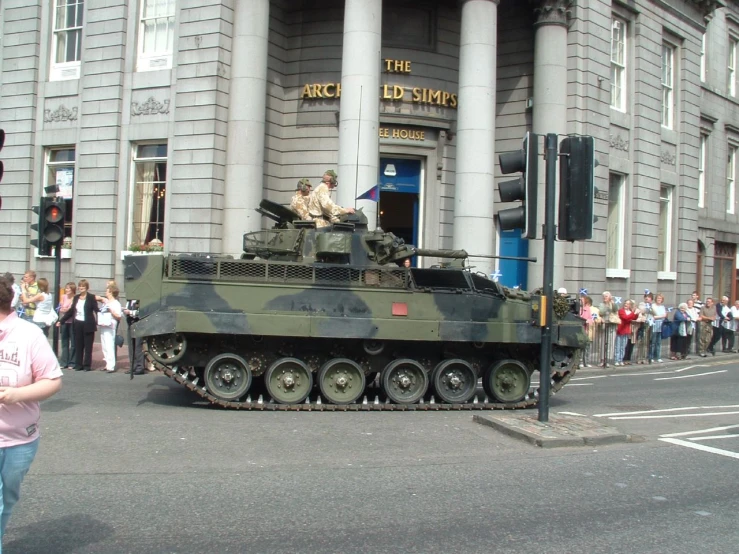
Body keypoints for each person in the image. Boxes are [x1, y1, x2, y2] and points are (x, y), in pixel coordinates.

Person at [0, 276, 63, 546]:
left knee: (6, 500)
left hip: (19, 439)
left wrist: (16, 395)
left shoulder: (29, 334)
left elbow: (53, 380)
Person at [57, 279, 98, 371]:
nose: (81, 288)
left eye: (83, 286)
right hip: (78, 323)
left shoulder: (91, 297)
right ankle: (78, 364)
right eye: (80, 286)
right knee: (79, 345)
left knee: (88, 346)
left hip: (88, 324)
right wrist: (61, 320)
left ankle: (87, 365)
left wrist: (98, 321)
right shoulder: (76, 298)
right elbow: (71, 311)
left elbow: (96, 310)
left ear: (87, 288)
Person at [98, 284, 122, 373]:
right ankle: (107, 364)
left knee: (109, 345)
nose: (106, 292)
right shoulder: (106, 302)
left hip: (111, 324)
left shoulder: (116, 303)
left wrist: (111, 311)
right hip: (104, 324)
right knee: (104, 345)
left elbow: (119, 316)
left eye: (107, 291)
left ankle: (111, 366)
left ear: (111, 292)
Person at [124, 299, 145, 375]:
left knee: (138, 346)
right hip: (130, 324)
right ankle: (133, 366)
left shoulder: (140, 300)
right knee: (131, 347)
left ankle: (140, 367)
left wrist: (130, 312)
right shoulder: (129, 301)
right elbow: (126, 310)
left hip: (138, 325)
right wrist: (125, 312)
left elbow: (142, 311)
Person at [58, 282, 77, 369]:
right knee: (64, 342)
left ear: (73, 290)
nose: (67, 290)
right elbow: (61, 308)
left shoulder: (75, 298)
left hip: (72, 321)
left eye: (69, 288)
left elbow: (71, 310)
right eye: (66, 288)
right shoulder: (63, 297)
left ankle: (72, 362)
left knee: (73, 343)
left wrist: (66, 309)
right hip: (64, 321)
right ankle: (64, 362)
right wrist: (64, 309)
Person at [614, 300, 639, 366]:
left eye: (628, 304)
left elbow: (634, 318)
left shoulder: (630, 312)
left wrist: (636, 313)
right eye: (625, 303)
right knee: (618, 346)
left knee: (623, 346)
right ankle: (616, 360)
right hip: (620, 330)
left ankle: (621, 359)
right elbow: (626, 318)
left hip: (626, 330)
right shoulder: (621, 311)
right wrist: (633, 313)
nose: (626, 305)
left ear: (629, 305)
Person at [647, 293, 667, 363]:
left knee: (658, 342)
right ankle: (651, 357)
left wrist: (660, 316)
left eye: (660, 298)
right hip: (654, 325)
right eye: (658, 298)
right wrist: (661, 316)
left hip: (660, 325)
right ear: (656, 299)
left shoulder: (662, 307)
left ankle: (658, 357)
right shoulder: (652, 306)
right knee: (653, 342)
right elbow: (653, 317)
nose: (659, 300)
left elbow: (665, 315)